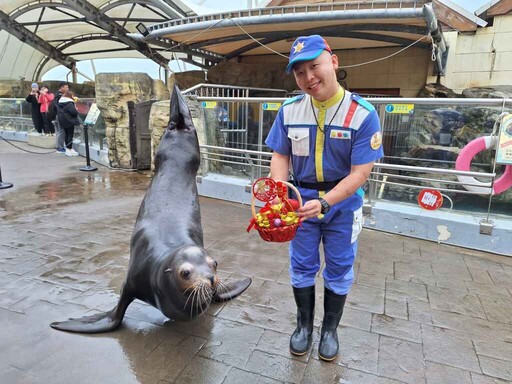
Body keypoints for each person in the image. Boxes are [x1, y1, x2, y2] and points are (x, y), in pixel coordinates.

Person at [265, 35, 384, 361]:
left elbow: (360, 173)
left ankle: (329, 331)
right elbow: (280, 155)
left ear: (333, 62)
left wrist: (328, 201)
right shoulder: (290, 110)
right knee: (301, 264)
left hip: (342, 205)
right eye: (299, 72)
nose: (308, 78)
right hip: (300, 201)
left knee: (340, 266)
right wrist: (279, 195)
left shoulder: (362, 115)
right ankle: (304, 327)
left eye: (314, 66)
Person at [57, 90, 79, 156]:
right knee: (70, 134)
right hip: (69, 120)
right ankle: (69, 148)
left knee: (66, 134)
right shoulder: (69, 103)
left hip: (63, 120)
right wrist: (76, 108)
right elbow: (74, 112)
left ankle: (68, 148)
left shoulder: (61, 102)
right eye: (72, 95)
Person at [53, 82, 70, 153]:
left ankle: (58, 146)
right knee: (61, 131)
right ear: (61, 87)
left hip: (56, 115)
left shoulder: (56, 94)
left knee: (58, 131)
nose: (67, 89)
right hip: (60, 115)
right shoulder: (60, 96)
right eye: (66, 87)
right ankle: (60, 147)